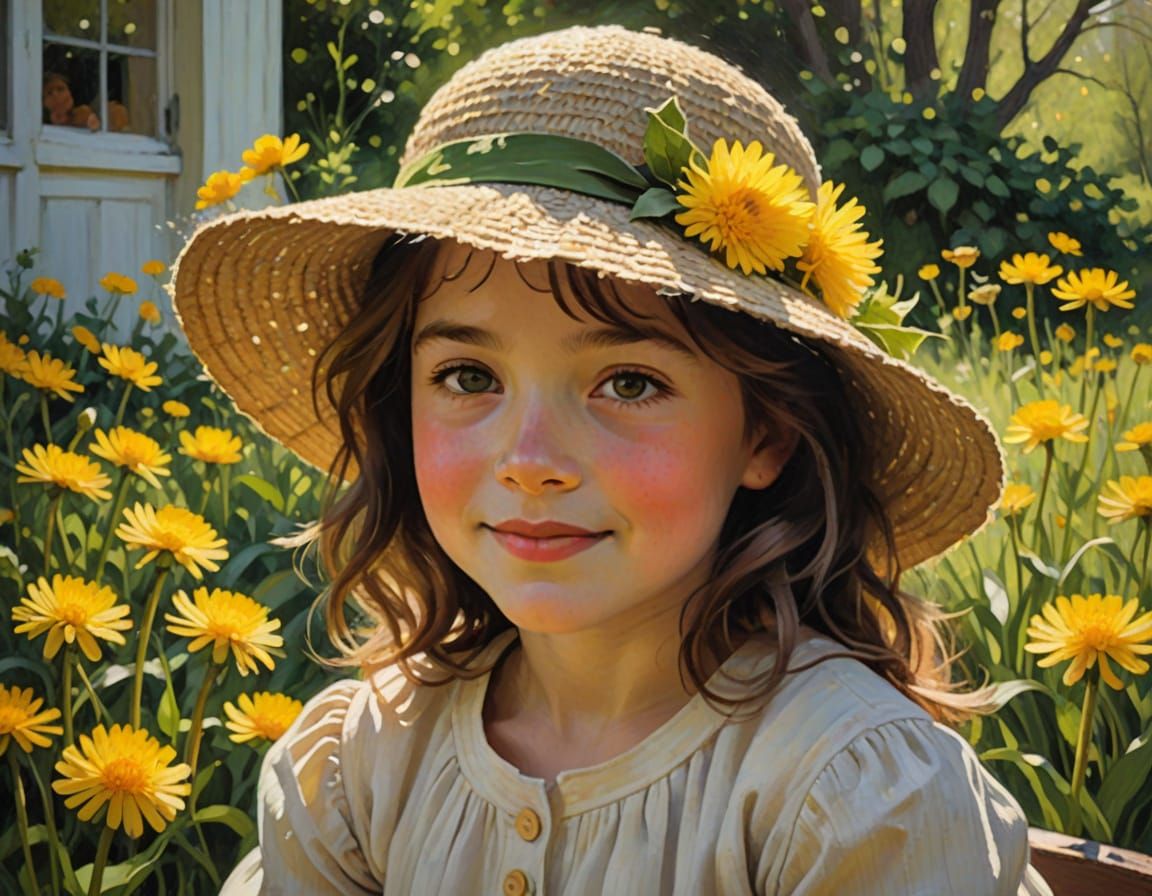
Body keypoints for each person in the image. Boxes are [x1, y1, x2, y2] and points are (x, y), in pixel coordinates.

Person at [173, 25, 1053, 895]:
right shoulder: (365, 764)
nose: (530, 462)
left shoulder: (845, 792)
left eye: (628, 383)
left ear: (766, 435)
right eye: (468, 375)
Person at [42, 71, 130, 132]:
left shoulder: (83, 113)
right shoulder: (43, 128)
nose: (56, 95)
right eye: (49, 93)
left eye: (61, 89)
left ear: (70, 94)